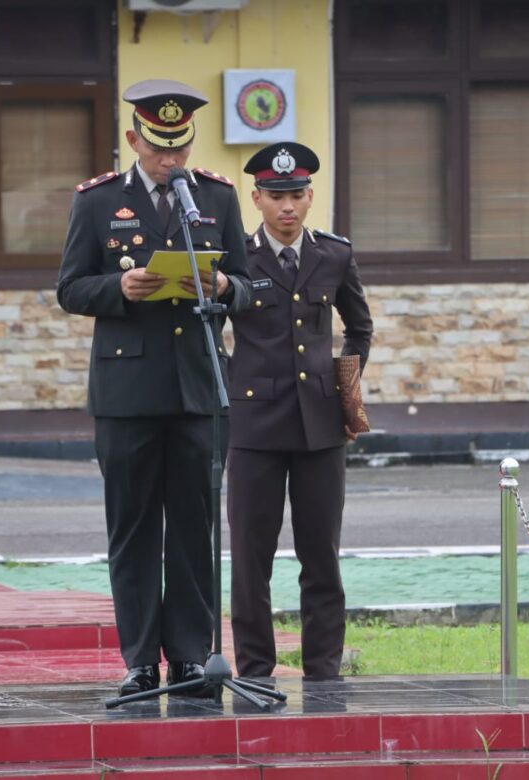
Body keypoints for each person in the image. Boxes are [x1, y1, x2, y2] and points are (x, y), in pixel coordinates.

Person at [56, 80, 252, 697]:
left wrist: (221, 289)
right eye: (160, 148)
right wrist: (121, 289)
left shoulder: (215, 199)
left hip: (197, 387)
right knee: (134, 527)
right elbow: (70, 288)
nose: (172, 161)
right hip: (127, 391)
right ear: (134, 139)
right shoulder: (97, 202)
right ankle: (140, 658)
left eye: (180, 148)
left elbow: (248, 286)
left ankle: (192, 657)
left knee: (195, 527)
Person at [227, 141, 373, 680]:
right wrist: (229, 384)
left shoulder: (334, 254)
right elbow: (208, 328)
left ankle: (323, 673)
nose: (287, 207)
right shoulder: (236, 257)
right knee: (251, 560)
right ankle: (256, 673)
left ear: (310, 196)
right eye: (275, 196)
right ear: (256, 199)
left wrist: (348, 389)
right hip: (254, 427)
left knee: (322, 558)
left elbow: (359, 327)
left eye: (296, 195)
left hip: (320, 426)